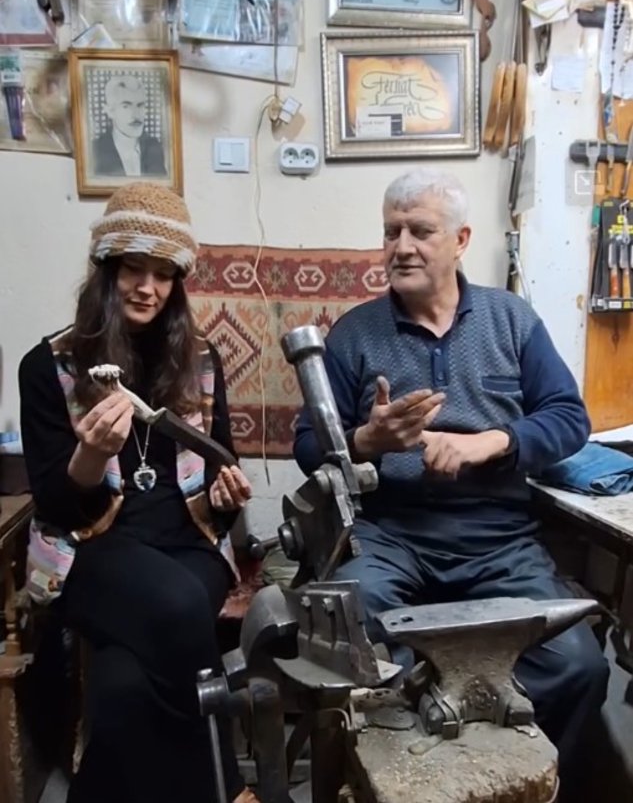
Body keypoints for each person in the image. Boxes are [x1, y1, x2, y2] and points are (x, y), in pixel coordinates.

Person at [293, 168, 609, 803]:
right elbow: (306, 444)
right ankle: (415, 779)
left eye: (421, 231)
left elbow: (569, 419)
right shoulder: (355, 333)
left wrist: (493, 441)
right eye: (391, 232)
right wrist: (366, 440)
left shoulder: (511, 320)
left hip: (499, 542)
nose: (401, 246)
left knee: (577, 667)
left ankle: (513, 779)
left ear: (461, 239)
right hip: (390, 538)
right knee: (352, 648)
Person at [19, 182, 259, 803]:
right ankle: (228, 788)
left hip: (191, 542)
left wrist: (226, 488)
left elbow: (218, 460)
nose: (148, 287)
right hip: (91, 550)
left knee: (124, 686)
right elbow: (56, 506)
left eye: (164, 274)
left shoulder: (201, 360)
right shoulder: (48, 367)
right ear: (106, 268)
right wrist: (91, 457)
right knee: (178, 608)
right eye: (133, 268)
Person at [93, 75, 166, 178]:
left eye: (140, 105)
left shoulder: (154, 148)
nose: (135, 115)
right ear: (110, 111)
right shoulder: (94, 152)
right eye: (126, 106)